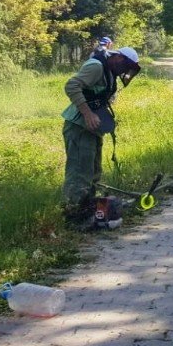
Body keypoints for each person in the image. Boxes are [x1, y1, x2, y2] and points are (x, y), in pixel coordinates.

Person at [61, 46, 141, 227]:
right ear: (118, 58)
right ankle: (72, 216)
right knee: (79, 173)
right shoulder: (96, 66)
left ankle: (87, 212)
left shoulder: (109, 71)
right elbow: (71, 85)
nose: (124, 71)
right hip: (79, 127)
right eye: (125, 66)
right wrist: (88, 114)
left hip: (92, 129)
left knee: (93, 172)